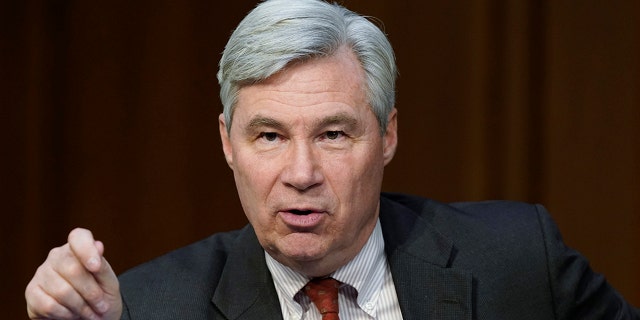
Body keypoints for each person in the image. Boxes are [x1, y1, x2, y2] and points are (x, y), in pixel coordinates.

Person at [25, 0, 639, 319]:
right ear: (225, 143)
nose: (300, 173)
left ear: (388, 136)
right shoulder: (148, 307)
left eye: (334, 134)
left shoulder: (520, 263)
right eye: (268, 136)